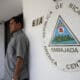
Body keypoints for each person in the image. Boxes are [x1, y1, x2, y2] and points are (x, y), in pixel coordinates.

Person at [3, 15, 29, 80]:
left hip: (17, 78)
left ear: (19, 25)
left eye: (12, 23)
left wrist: (15, 77)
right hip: (11, 76)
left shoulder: (20, 37)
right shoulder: (14, 38)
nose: (10, 26)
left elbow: (20, 59)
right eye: (9, 24)